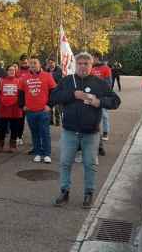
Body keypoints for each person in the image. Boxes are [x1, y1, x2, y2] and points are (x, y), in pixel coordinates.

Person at [51, 52, 121, 209]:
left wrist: (99, 101)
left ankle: (88, 193)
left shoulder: (99, 83)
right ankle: (64, 191)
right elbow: (53, 97)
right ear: (76, 65)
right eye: (80, 63)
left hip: (91, 132)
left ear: (91, 65)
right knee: (65, 163)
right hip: (70, 131)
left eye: (86, 64)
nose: (83, 66)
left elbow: (116, 101)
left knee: (90, 164)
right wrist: (72, 94)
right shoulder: (68, 81)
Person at [19, 58, 57, 163]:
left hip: (43, 110)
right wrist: (22, 106)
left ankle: (47, 154)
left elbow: (54, 91)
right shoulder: (24, 77)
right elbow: (21, 92)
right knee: (34, 132)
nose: (32, 65)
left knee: (44, 132)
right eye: (31, 63)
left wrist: (50, 105)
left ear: (40, 64)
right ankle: (38, 153)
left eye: (35, 63)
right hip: (30, 111)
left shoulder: (47, 76)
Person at [0, 65, 22, 152]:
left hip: (15, 108)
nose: (12, 71)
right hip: (4, 108)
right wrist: (2, 100)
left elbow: (21, 94)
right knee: (2, 127)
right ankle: (0, 144)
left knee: (14, 127)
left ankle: (12, 145)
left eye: (13, 70)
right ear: (7, 71)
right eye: (10, 70)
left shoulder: (19, 81)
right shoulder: (2, 81)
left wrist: (15, 101)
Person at [91, 56, 113, 145]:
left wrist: (106, 92)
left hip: (102, 95)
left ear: (97, 58)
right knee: (93, 114)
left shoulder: (106, 68)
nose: (92, 60)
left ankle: (105, 132)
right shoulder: (91, 68)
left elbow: (109, 82)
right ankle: (95, 132)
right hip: (93, 95)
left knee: (104, 114)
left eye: (93, 58)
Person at [16, 54, 31, 146]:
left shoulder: (32, 71)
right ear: (21, 62)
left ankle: (35, 138)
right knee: (20, 119)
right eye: (23, 62)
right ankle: (19, 136)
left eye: (26, 62)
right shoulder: (17, 72)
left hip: (31, 98)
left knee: (32, 119)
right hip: (21, 98)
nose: (25, 63)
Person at [45, 58, 63, 127]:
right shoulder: (47, 70)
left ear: (55, 63)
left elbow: (57, 77)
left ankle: (58, 121)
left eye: (52, 62)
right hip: (49, 91)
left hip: (57, 90)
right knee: (50, 106)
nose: (51, 64)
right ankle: (50, 121)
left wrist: (50, 75)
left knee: (57, 107)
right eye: (49, 63)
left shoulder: (59, 70)